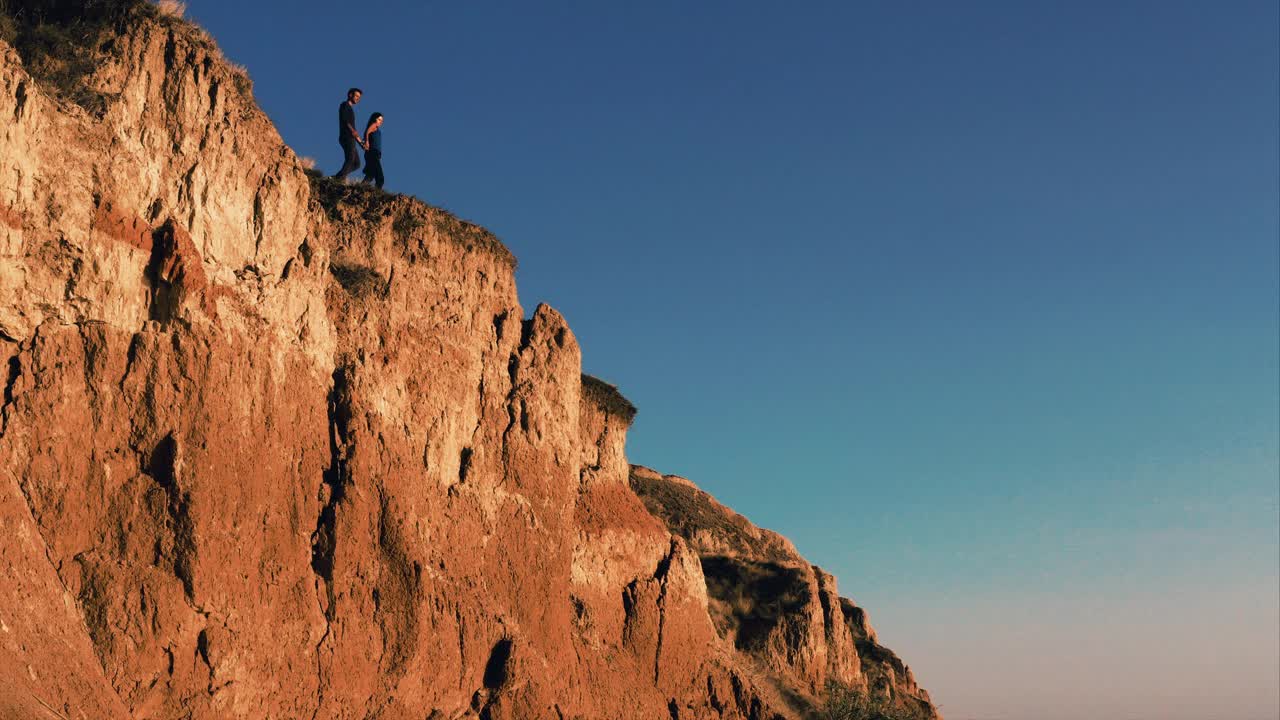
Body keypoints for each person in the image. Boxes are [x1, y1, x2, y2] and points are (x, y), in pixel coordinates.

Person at [333, 88, 364, 181]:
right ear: (350, 95)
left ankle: (337, 177)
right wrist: (352, 131)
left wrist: (361, 143)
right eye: (357, 96)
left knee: (356, 164)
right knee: (350, 159)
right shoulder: (345, 105)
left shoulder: (350, 108)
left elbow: (353, 130)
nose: (358, 99)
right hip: (346, 136)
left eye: (359, 97)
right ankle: (339, 179)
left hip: (351, 137)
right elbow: (346, 121)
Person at [362, 112, 385, 189]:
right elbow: (367, 132)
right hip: (372, 153)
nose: (380, 122)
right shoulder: (374, 125)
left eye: (382, 120)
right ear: (375, 119)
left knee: (370, 175)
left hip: (375, 154)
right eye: (379, 119)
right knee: (380, 178)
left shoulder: (377, 129)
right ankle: (378, 193)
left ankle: (360, 187)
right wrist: (367, 141)